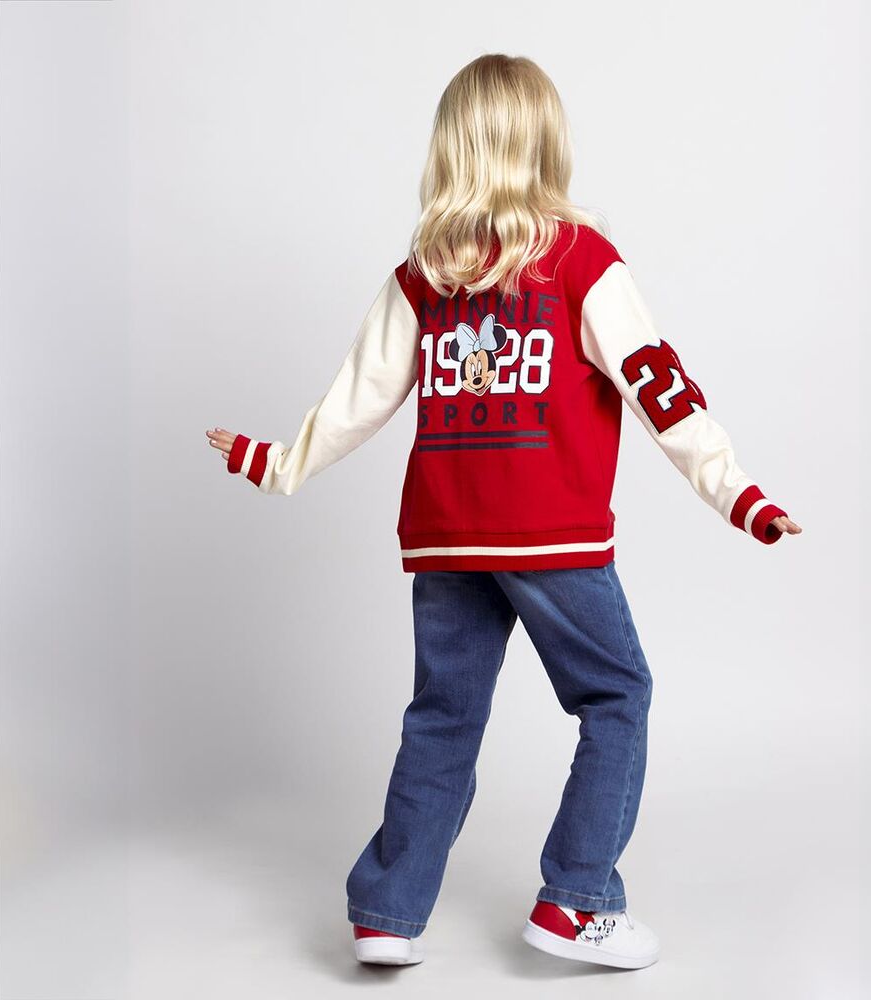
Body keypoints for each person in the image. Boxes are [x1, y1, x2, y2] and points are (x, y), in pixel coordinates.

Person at [206, 53, 802, 971]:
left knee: (443, 717)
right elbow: (659, 386)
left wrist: (280, 464)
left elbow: (359, 396)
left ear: (451, 147)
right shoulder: (580, 260)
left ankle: (387, 913)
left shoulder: (423, 273)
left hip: (446, 536)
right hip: (549, 534)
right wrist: (736, 492)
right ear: (544, 143)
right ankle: (576, 900)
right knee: (618, 695)